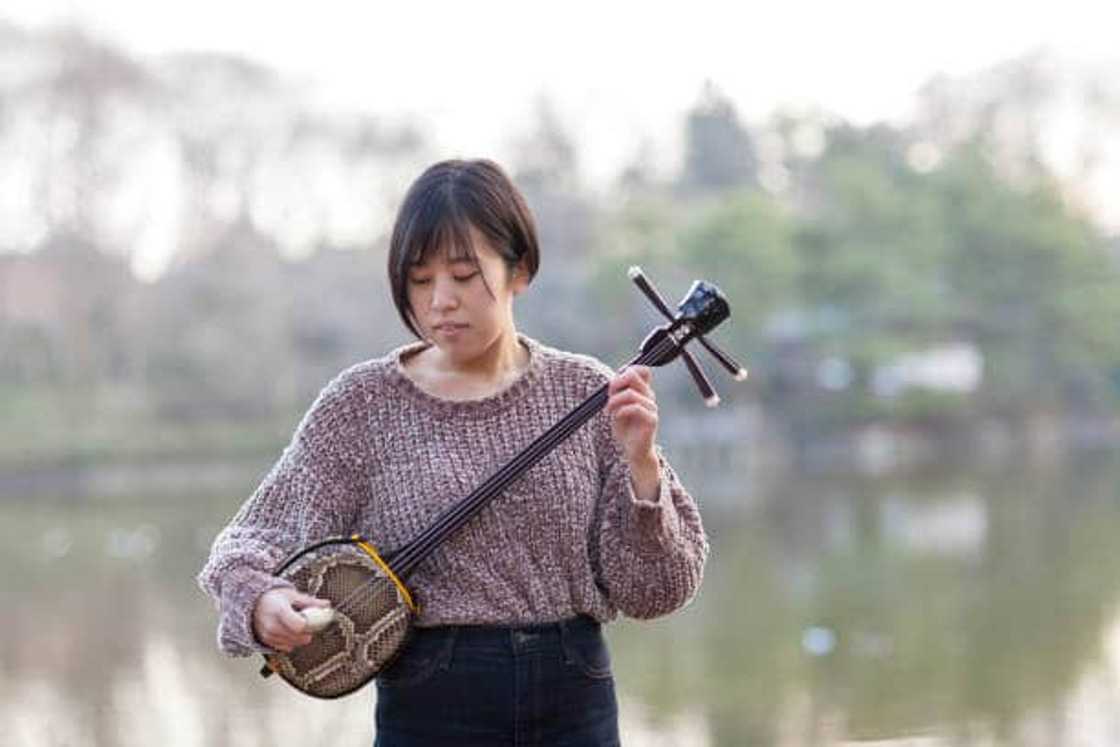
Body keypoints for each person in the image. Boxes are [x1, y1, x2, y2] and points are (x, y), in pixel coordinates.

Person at [197, 158, 709, 746]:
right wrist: (262, 602)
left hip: (575, 697)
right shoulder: (363, 404)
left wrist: (643, 468)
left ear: (520, 269)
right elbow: (245, 545)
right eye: (420, 280)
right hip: (431, 702)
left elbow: (657, 590)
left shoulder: (587, 391)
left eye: (464, 275)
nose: (441, 300)